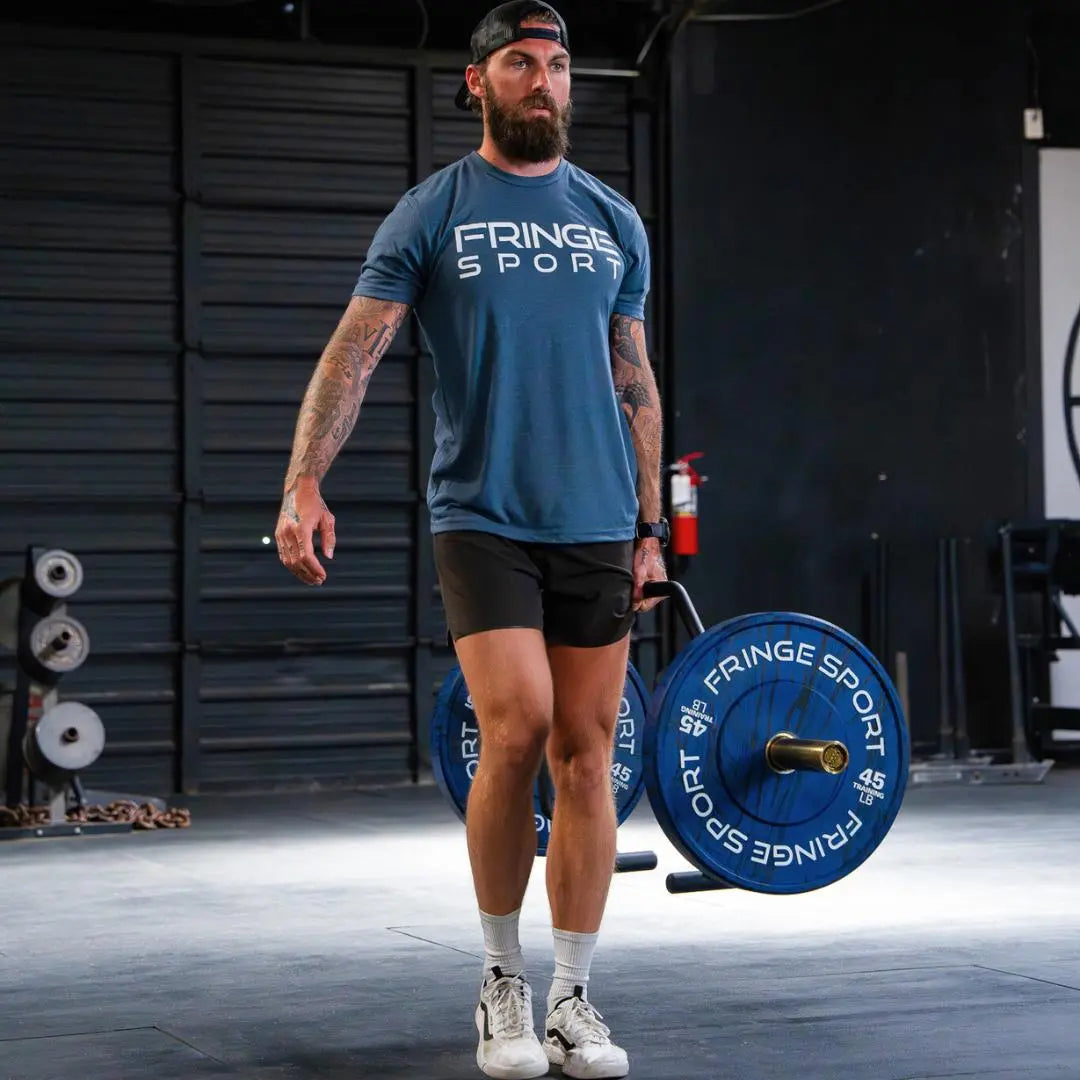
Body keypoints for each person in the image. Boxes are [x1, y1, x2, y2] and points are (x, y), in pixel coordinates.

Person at [275, 3, 668, 1076]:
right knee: (519, 726)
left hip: (598, 521)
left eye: (558, 65)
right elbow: (354, 352)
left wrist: (649, 528)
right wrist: (305, 479)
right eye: (520, 64)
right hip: (483, 515)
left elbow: (633, 378)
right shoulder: (433, 211)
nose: (544, 81)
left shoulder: (613, 220)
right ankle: (501, 983)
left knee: (588, 754)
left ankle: (572, 998)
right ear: (477, 82)